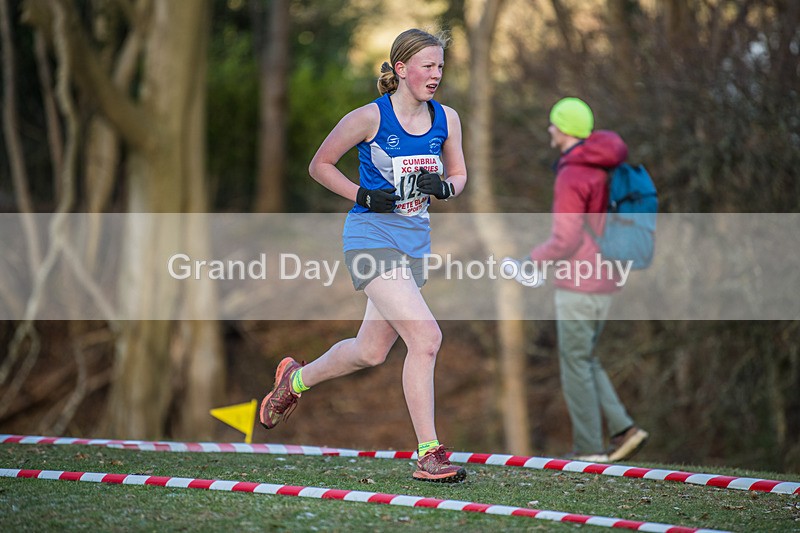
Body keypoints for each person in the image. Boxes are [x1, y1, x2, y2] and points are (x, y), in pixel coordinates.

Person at [258, 29, 468, 483]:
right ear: (400, 70)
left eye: (440, 66)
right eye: (427, 66)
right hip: (370, 238)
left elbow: (459, 173)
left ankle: (294, 380)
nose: (436, 74)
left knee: (370, 353)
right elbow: (319, 165)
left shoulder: (446, 117)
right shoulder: (369, 118)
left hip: (415, 244)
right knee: (426, 338)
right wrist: (363, 196)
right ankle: (429, 453)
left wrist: (446, 188)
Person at [503, 97, 648, 462]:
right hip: (607, 277)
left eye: (554, 123)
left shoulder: (573, 172)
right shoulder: (601, 167)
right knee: (586, 358)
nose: (550, 129)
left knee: (574, 363)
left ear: (565, 129)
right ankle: (624, 430)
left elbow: (565, 239)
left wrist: (529, 261)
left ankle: (589, 449)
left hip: (579, 281)